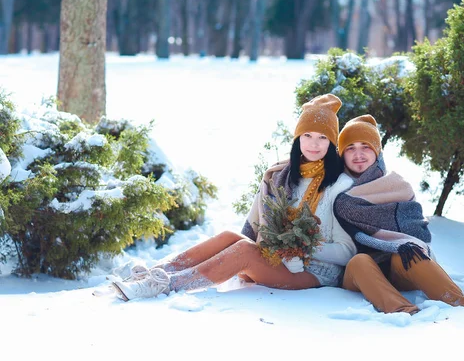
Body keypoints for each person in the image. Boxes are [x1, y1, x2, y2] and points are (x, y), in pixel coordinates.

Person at [111, 94, 357, 301]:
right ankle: (156, 272)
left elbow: (347, 252)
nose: (314, 144)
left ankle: (167, 285)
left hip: (315, 273)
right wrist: (278, 247)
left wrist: (303, 248)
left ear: (332, 142)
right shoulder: (285, 175)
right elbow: (258, 227)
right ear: (298, 139)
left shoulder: (341, 185)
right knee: (231, 237)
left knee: (244, 251)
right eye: (307, 136)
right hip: (281, 260)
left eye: (322, 137)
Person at [333, 114, 464, 314]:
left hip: (400, 270)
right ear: (342, 154)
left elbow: (418, 233)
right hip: (358, 276)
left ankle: (460, 304)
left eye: (365, 146)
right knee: (360, 261)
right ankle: (402, 310)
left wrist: (401, 246)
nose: (358, 154)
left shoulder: (398, 187)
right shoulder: (335, 193)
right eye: (350, 148)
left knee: (408, 252)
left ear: (377, 151)